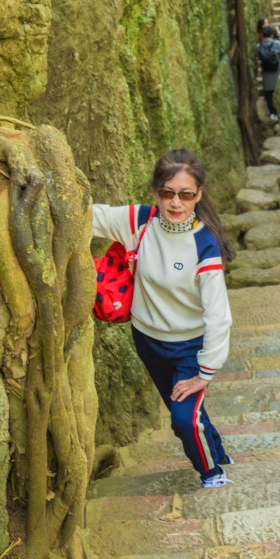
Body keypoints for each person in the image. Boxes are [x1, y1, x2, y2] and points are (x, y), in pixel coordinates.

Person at [91, 150, 236, 488]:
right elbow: (91, 217)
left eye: (186, 194)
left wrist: (205, 372)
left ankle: (212, 474)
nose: (176, 203)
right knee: (190, 409)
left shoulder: (204, 244)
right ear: (156, 191)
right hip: (148, 341)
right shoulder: (140, 222)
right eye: (168, 192)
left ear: (198, 195)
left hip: (190, 347)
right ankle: (218, 452)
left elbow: (219, 316)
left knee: (183, 418)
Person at [257, 25, 280, 121]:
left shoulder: (258, 46)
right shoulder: (277, 43)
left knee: (268, 93)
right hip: (277, 72)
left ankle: (272, 113)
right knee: (278, 91)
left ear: (263, 35)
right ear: (272, 35)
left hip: (266, 74)